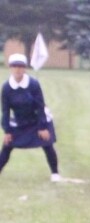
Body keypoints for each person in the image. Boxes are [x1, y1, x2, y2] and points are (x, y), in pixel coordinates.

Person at [1, 53, 61, 182]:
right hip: (20, 120)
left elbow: (40, 107)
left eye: (21, 66)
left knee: (47, 144)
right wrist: (7, 131)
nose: (17, 69)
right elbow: (5, 111)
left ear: (25, 68)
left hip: (38, 118)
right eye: (14, 66)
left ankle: (55, 174)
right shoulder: (6, 88)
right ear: (10, 68)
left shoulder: (33, 84)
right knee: (7, 146)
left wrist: (42, 127)